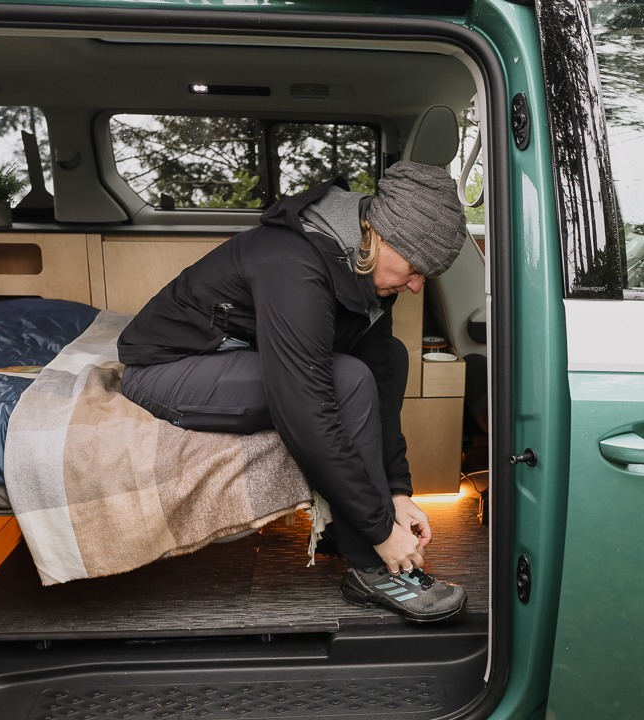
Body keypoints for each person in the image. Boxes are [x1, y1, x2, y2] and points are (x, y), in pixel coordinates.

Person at [117, 161, 469, 623]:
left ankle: (358, 534)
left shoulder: (366, 260)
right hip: (166, 369)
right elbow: (305, 411)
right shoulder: (292, 262)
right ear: (381, 235)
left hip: (228, 356)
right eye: (416, 269)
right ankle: (367, 567)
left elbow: (380, 373)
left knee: (390, 359)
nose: (417, 285)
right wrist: (380, 530)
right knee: (345, 382)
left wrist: (399, 492)